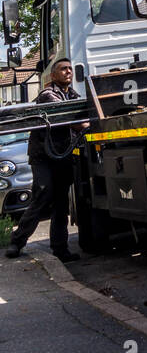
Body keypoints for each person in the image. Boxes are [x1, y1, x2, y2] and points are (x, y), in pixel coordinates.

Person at [5, 56, 83, 262]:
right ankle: (17, 241)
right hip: (43, 156)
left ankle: (60, 249)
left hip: (63, 155)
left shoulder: (72, 94)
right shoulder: (48, 94)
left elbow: (82, 112)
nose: (68, 72)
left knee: (61, 202)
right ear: (53, 75)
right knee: (42, 193)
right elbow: (70, 119)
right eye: (63, 69)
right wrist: (86, 125)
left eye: (70, 69)